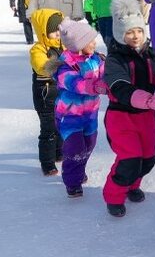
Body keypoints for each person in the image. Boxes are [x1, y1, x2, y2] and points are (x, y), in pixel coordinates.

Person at [102, 0, 155, 217]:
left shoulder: (150, 54)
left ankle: (132, 184)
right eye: (129, 32)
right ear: (120, 34)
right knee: (130, 158)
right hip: (121, 117)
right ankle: (114, 195)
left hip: (145, 117)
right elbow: (121, 88)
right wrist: (152, 100)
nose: (135, 36)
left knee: (147, 158)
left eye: (139, 31)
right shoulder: (115, 59)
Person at [47, 19, 106, 198]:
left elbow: (108, 75)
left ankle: (78, 169)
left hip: (90, 114)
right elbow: (74, 83)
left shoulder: (97, 59)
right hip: (69, 116)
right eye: (90, 40)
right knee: (75, 148)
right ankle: (72, 181)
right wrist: (96, 87)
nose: (94, 43)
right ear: (78, 44)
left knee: (89, 145)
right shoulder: (64, 64)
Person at [29, 9, 65, 176]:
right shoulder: (38, 50)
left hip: (60, 93)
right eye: (53, 31)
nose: (57, 34)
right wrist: (60, 66)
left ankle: (58, 152)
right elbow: (41, 67)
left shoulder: (63, 46)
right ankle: (47, 162)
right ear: (43, 31)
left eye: (60, 30)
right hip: (45, 94)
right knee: (48, 128)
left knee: (60, 124)